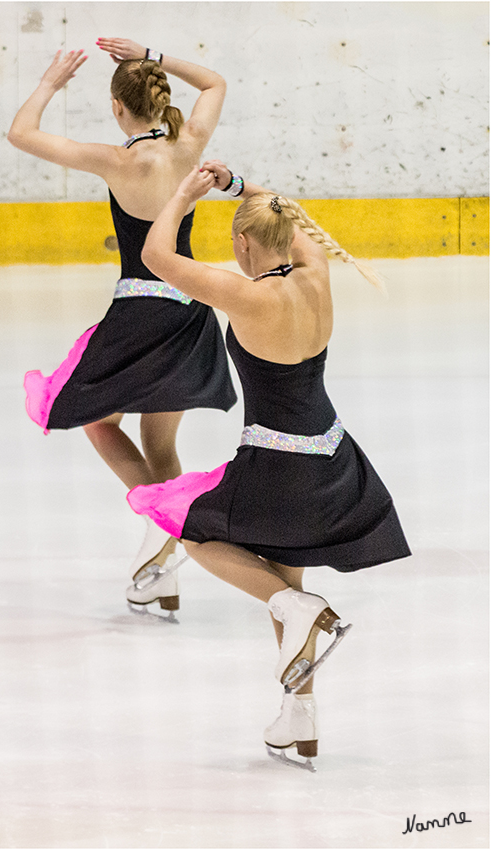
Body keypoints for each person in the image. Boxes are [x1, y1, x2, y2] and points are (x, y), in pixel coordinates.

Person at [127, 161, 411, 768]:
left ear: (243, 243)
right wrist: (236, 186)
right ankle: (298, 718)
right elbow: (282, 211)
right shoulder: (315, 269)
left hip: (276, 464)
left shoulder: (247, 295)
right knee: (286, 579)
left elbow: (156, 256)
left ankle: (295, 610)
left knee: (190, 527)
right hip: (331, 456)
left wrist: (185, 191)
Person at [7, 39, 237, 615]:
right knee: (161, 444)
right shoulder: (191, 146)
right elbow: (215, 83)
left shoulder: (115, 159)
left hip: (137, 313)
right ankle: (165, 575)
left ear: (117, 108)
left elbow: (21, 133)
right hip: (188, 311)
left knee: (94, 420)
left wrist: (51, 84)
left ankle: (169, 532)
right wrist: (157, 53)